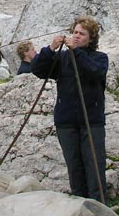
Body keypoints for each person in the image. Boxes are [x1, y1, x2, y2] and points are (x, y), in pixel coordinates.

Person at [31, 15, 109, 202]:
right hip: (66, 122)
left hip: (91, 122)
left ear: (91, 38)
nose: (76, 36)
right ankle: (80, 204)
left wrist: (77, 52)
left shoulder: (100, 58)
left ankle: (98, 206)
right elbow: (38, 69)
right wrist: (50, 50)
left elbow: (95, 72)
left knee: (94, 165)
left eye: (82, 34)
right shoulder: (62, 58)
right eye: (75, 32)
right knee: (74, 165)